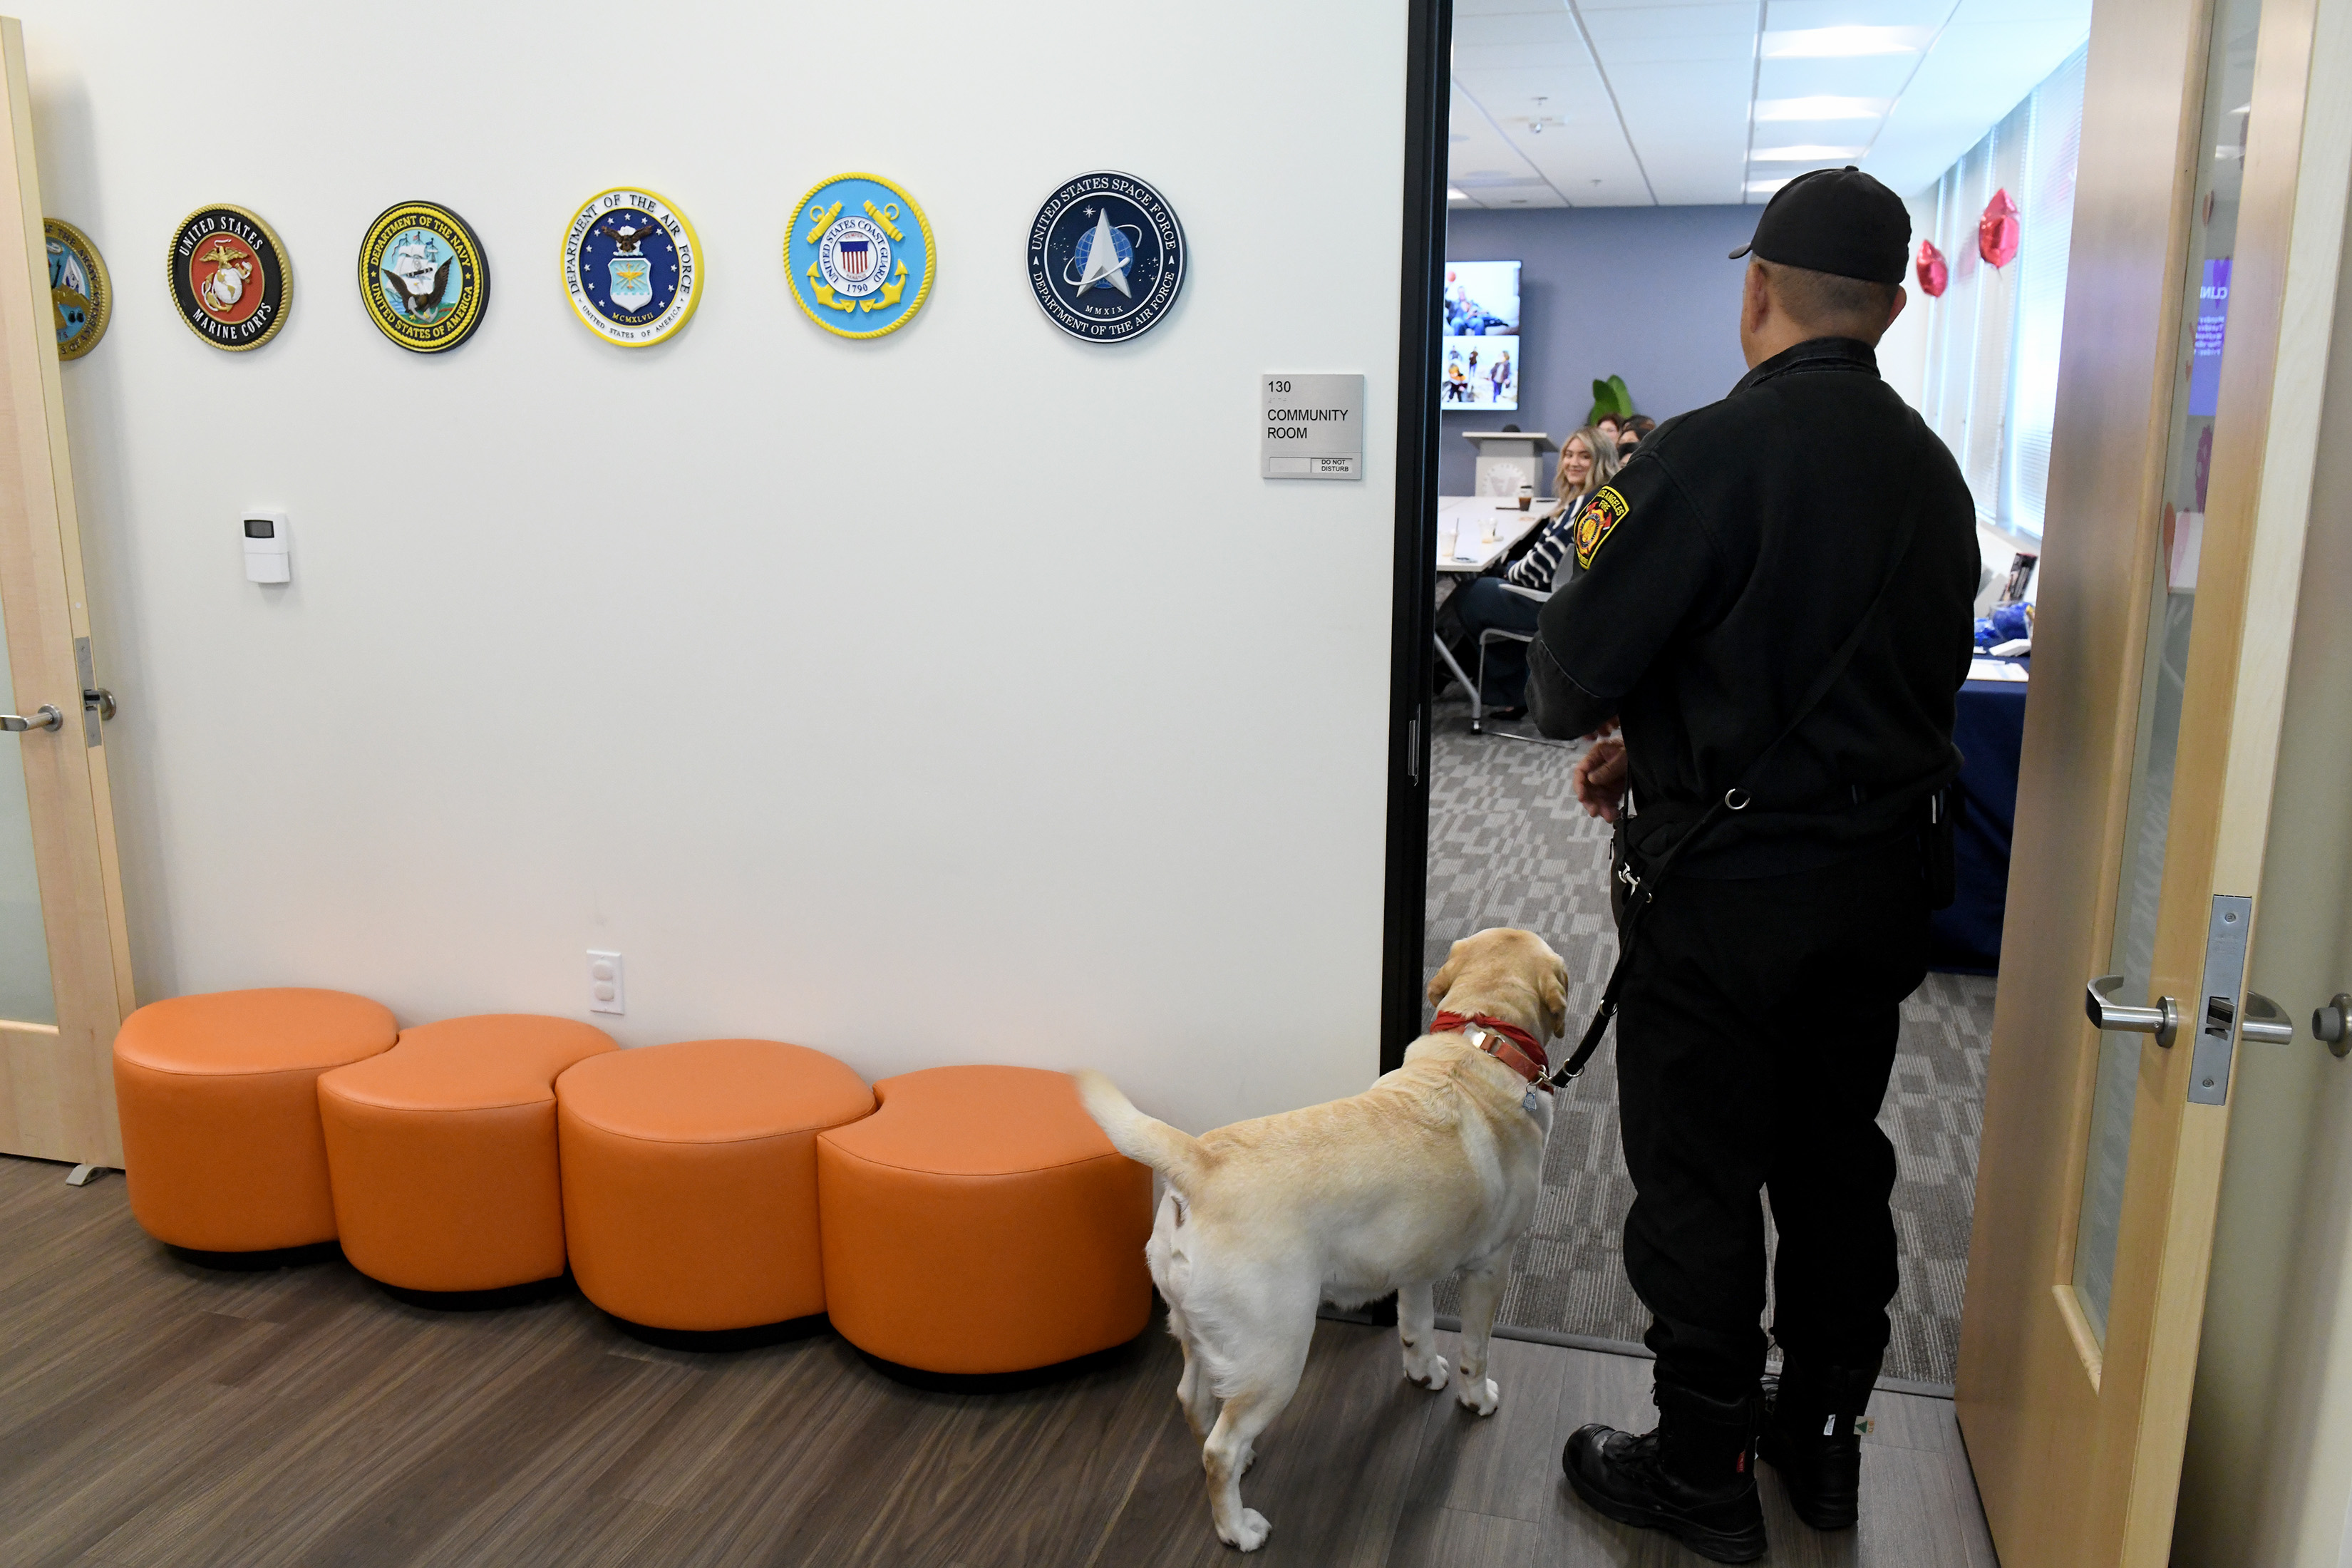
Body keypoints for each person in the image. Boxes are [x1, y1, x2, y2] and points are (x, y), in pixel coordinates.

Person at [1528, 167, 1976, 1562]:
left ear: (1755, 289)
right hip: (1882, 884)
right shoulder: (1939, 478)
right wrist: (1664, 745)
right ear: (1895, 304)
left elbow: (1561, 675)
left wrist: (1645, 739)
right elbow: (1900, 686)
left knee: (1702, 1173)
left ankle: (1703, 1465)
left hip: (1723, 900)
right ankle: (1823, 1441)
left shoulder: (1695, 457)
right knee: (1836, 1155)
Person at [1442, 427, 1620, 716]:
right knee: (1481, 589)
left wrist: (1506, 569)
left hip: (1550, 604)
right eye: (1569, 455)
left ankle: (1507, 689)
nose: (1573, 463)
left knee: (1470, 594)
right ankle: (1478, 679)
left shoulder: (1583, 505)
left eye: (1584, 456)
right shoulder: (1598, 500)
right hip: (1569, 601)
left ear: (1600, 461)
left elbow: (1537, 570)